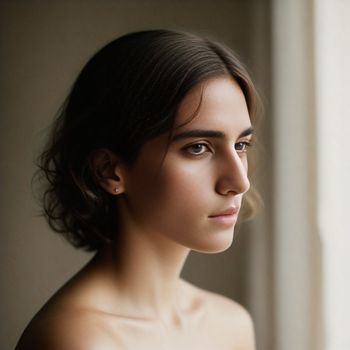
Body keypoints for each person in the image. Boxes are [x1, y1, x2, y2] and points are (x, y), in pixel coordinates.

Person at [16, 29, 261, 350]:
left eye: (241, 144)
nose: (239, 181)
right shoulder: (76, 340)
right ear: (109, 171)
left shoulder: (232, 326)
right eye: (198, 147)